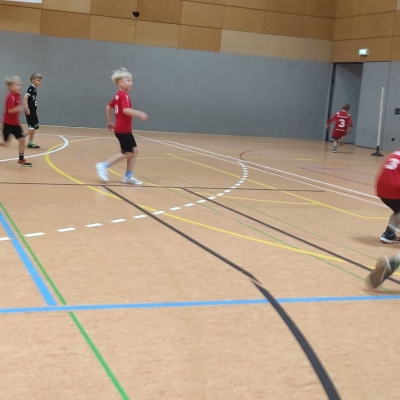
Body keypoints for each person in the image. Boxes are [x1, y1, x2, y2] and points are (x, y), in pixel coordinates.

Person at [96, 68, 148, 184]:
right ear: (120, 82)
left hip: (123, 129)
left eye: (131, 80)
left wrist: (109, 121)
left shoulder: (117, 95)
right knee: (128, 152)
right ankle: (104, 165)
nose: (131, 83)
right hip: (123, 130)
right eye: (128, 80)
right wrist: (140, 113)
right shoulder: (124, 95)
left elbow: (108, 107)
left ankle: (128, 176)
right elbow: (126, 110)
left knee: (134, 151)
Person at [0, 76, 32, 166]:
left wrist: (25, 108)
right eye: (16, 85)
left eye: (20, 85)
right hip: (8, 124)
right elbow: (10, 111)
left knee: (22, 141)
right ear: (10, 87)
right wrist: (20, 107)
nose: (19, 87)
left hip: (16, 124)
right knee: (6, 144)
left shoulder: (18, 95)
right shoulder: (10, 97)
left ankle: (21, 159)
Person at [376, 149, 400, 243]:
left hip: (381, 186)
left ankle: (389, 234)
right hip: (394, 187)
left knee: (398, 210)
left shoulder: (396, 152)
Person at [23, 73, 42, 149]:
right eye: (38, 80)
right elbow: (25, 97)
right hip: (30, 111)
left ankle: (30, 142)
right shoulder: (31, 88)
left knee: (33, 127)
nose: (40, 82)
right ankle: (21, 137)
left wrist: (35, 110)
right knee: (34, 126)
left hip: (33, 110)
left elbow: (33, 101)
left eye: (40, 80)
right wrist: (26, 108)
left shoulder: (34, 88)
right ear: (32, 80)